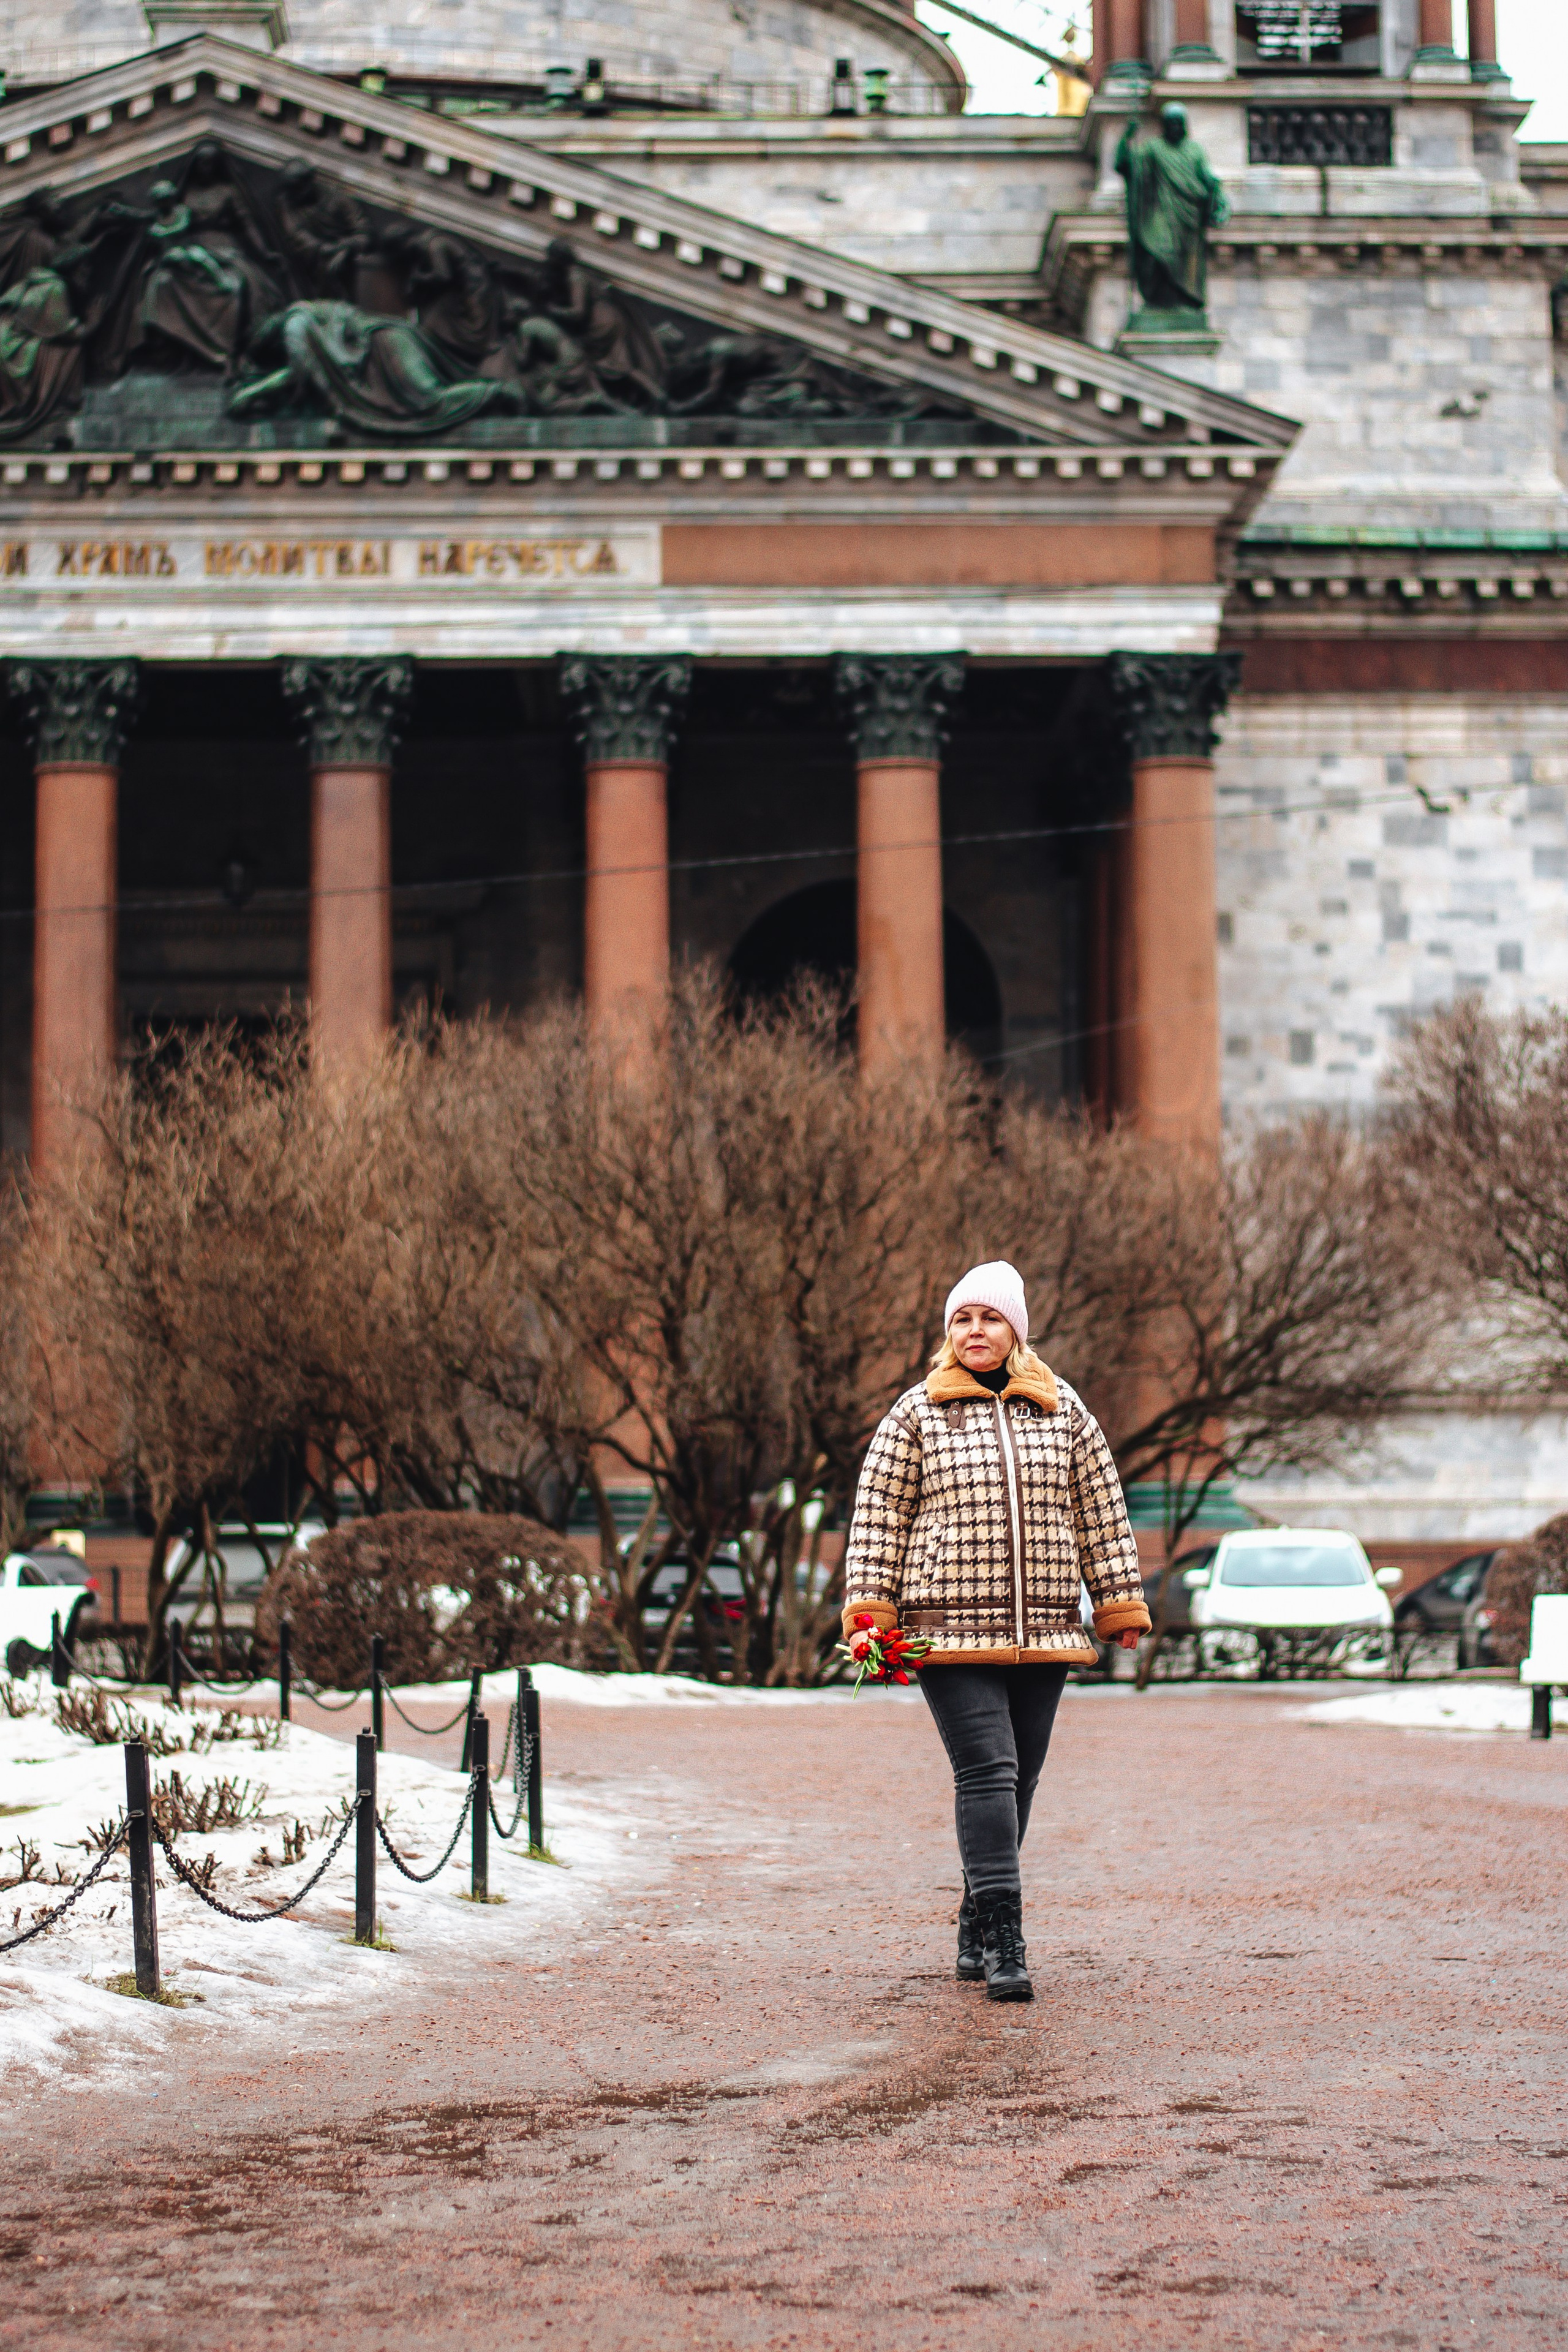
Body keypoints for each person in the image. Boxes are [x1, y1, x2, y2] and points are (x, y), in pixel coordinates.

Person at [842, 1261, 1150, 2002]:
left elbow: (1100, 1513)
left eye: (988, 1319)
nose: (974, 1332)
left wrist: (1118, 1603)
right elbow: (877, 1519)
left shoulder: (1062, 1409)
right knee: (988, 1770)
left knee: (1023, 1777)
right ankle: (1007, 1940)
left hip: (1042, 1627)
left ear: (1015, 1328)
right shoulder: (917, 1412)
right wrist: (867, 1618)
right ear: (948, 1334)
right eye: (961, 1320)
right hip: (944, 1629)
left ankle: (976, 1914)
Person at [1115, 100, 1229, 320]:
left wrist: (1218, 199)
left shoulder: (1195, 150)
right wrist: (1127, 137)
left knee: (1186, 262)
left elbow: (1207, 179)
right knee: (1157, 250)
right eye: (1171, 124)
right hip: (1162, 211)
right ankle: (1160, 298)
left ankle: (1182, 299)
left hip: (1189, 216)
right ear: (1165, 126)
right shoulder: (1154, 147)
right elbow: (1128, 165)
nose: (1175, 128)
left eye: (1179, 124)